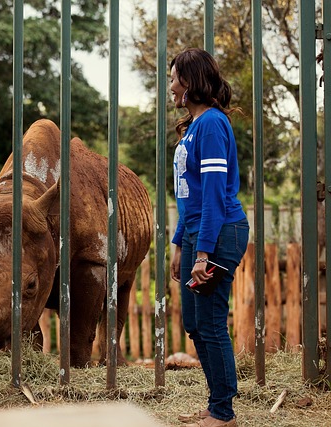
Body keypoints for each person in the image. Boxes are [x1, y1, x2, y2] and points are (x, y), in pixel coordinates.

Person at [169, 48, 249, 427]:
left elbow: (215, 194)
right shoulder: (195, 127)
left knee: (211, 320)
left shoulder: (213, 124)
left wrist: (201, 253)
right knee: (194, 322)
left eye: (173, 78)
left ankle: (223, 412)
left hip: (220, 233)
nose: (170, 87)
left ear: (189, 82)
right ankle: (217, 402)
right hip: (198, 232)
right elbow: (192, 195)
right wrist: (178, 242)